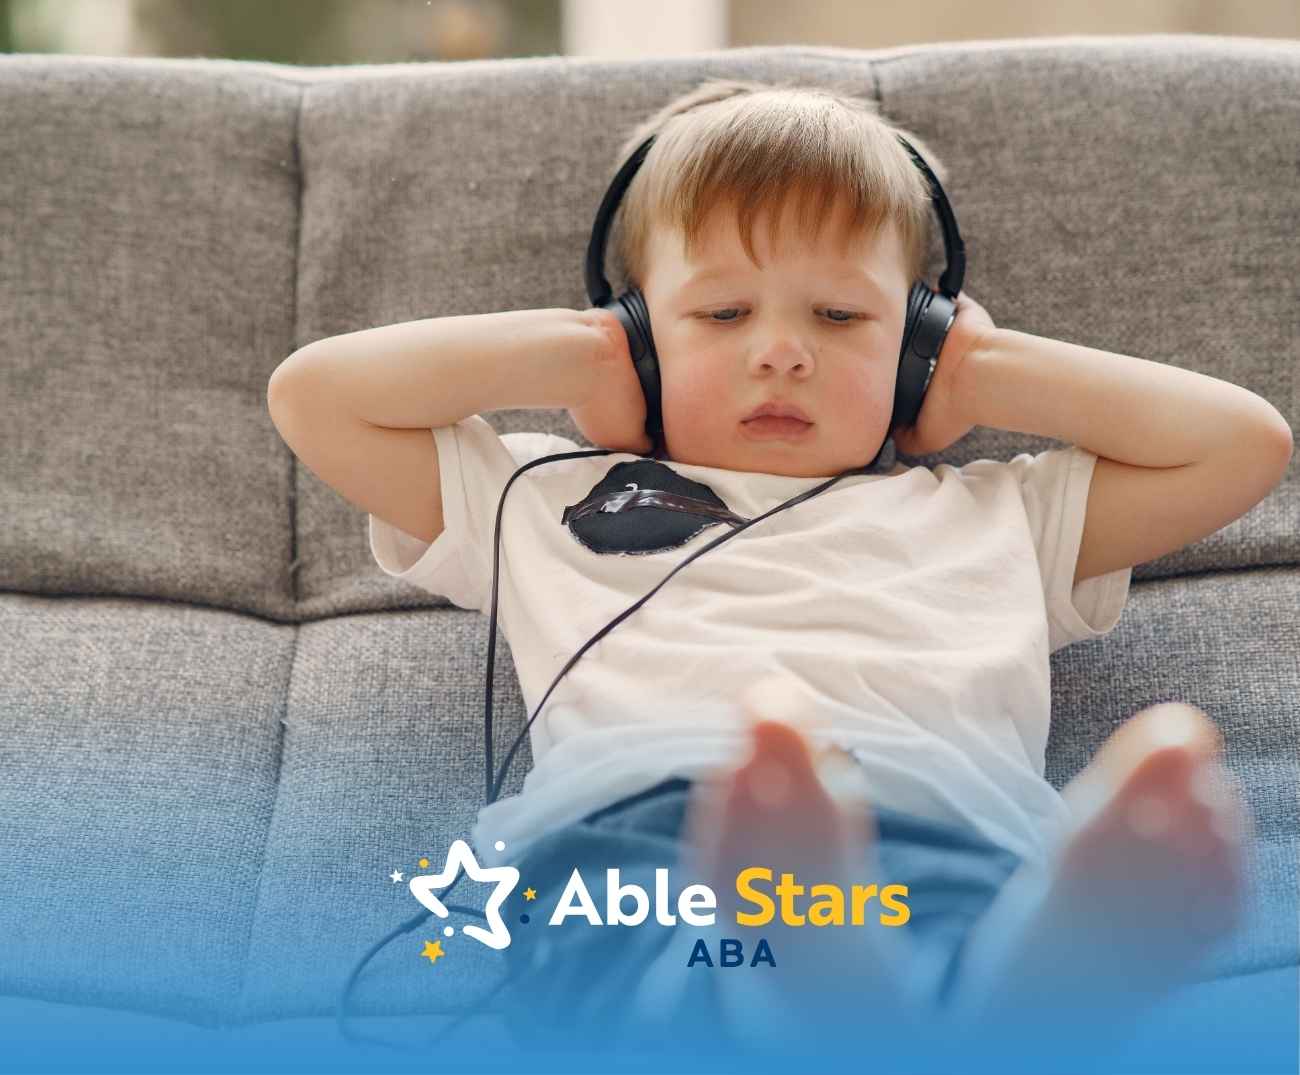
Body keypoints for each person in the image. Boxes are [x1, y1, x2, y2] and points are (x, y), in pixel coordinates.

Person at [269, 78, 1291, 1073]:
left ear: (915, 344)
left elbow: (1242, 445)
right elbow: (315, 397)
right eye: (719, 314)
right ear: (638, 337)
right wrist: (578, 358)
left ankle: (907, 979)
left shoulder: (998, 513)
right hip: (638, 825)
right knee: (673, 955)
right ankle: (894, 990)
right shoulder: (538, 494)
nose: (781, 353)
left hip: (943, 825)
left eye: (842, 319)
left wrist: (980, 372)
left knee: (899, 946)